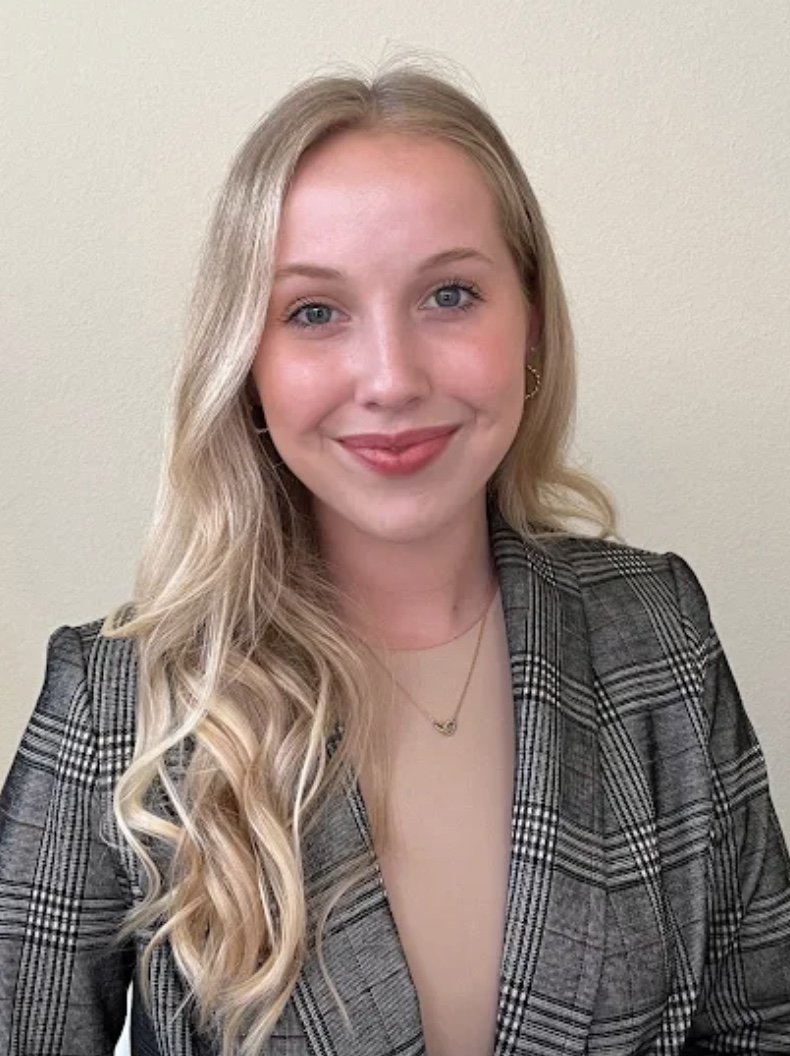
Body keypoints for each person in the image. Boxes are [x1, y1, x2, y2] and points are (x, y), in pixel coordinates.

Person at [1, 60, 789, 1056]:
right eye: (315, 312)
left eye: (449, 294)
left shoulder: (657, 630)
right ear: (247, 363)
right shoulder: (119, 700)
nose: (390, 378)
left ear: (530, 322)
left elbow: (757, 1024)